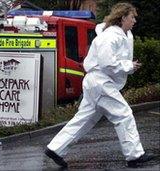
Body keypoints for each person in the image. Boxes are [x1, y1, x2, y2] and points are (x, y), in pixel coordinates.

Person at [44, 2, 154, 168]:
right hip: (101, 82)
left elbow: (110, 61)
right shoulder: (111, 37)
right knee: (124, 114)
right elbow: (106, 63)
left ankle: (55, 148)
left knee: (84, 119)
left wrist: (128, 65)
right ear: (123, 17)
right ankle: (134, 156)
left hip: (96, 82)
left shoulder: (116, 35)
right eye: (132, 17)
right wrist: (128, 66)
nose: (134, 21)